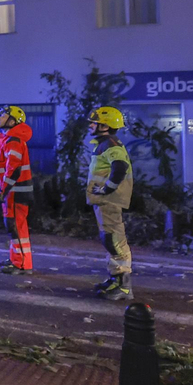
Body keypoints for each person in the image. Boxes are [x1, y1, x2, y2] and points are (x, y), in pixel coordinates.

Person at [86, 106, 134, 299]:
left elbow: (120, 167)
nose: (91, 125)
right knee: (110, 239)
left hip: (109, 200)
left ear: (105, 126)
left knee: (114, 240)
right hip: (105, 201)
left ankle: (123, 286)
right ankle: (116, 278)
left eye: (94, 123)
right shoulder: (105, 144)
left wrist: (107, 189)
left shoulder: (110, 144)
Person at [0, 106, 33, 274]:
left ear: (12, 121)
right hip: (14, 192)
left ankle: (21, 264)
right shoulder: (10, 139)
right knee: (13, 227)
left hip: (16, 192)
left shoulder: (13, 141)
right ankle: (16, 259)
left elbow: (13, 169)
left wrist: (3, 189)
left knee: (16, 227)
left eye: (3, 116)